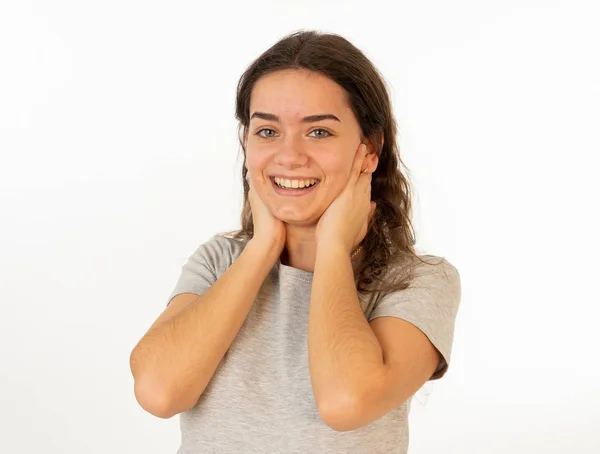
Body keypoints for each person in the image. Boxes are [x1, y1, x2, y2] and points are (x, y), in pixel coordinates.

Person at [129, 29, 461, 454]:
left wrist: (333, 250)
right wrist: (264, 244)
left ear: (370, 149)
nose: (289, 156)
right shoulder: (218, 261)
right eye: (267, 131)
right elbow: (158, 393)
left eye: (319, 132)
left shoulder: (417, 281)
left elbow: (346, 402)